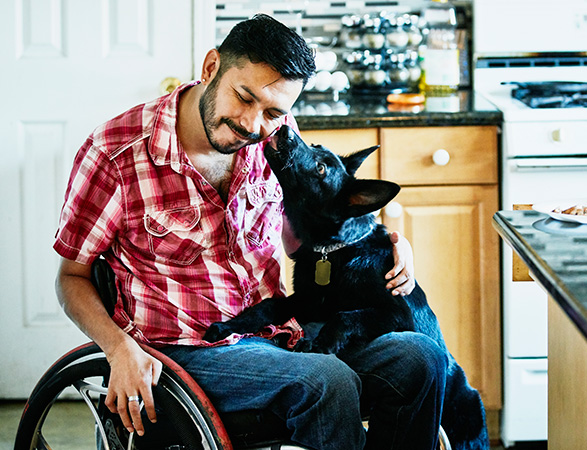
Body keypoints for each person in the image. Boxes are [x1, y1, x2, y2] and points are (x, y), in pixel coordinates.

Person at [54, 14, 447, 450]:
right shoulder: (114, 153)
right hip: (186, 353)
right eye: (244, 98)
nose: (254, 125)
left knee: (419, 357)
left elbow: (318, 222)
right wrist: (117, 348)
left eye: (275, 112)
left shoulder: (276, 138)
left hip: (281, 333)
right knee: (326, 380)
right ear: (210, 69)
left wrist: (387, 242)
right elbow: (72, 278)